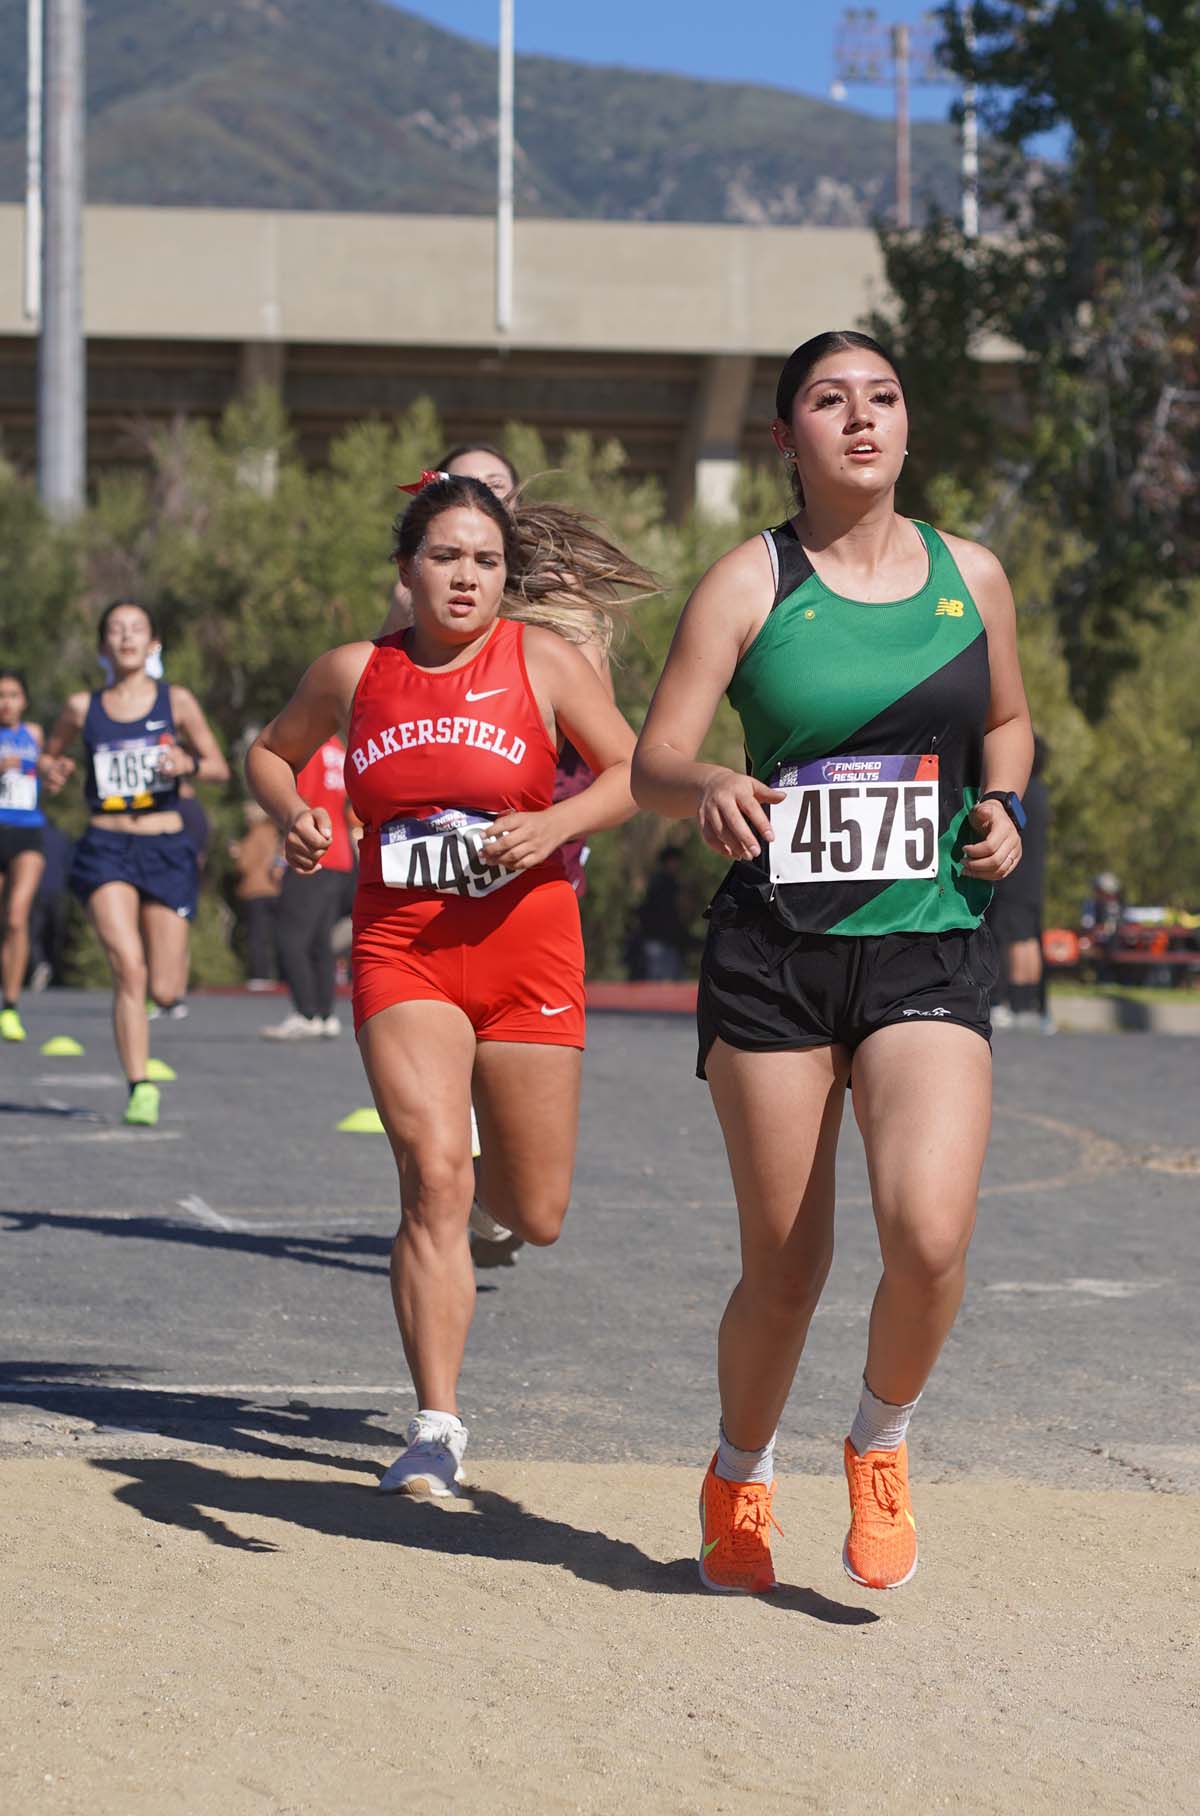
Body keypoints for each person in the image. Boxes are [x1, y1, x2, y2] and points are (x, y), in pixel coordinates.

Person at [632, 329, 1032, 1594]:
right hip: (777, 959)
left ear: (908, 427)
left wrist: (1008, 805)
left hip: (925, 943)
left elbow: (1010, 722)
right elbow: (651, 762)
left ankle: (880, 1438)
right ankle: (739, 1469)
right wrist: (707, 784)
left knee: (926, 1233)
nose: (861, 419)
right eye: (828, 400)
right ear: (787, 439)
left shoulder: (973, 575)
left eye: (883, 398)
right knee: (787, 1269)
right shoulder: (748, 584)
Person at [247, 472, 650, 1496]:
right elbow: (268, 752)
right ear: (407, 570)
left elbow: (633, 772)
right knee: (432, 1171)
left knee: (535, 1208)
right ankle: (435, 1424)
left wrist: (553, 826)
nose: (466, 577)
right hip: (403, 948)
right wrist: (295, 811)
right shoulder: (355, 673)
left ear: (506, 577)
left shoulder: (543, 661)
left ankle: (492, 1211)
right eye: (446, 557)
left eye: (485, 561)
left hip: (528, 953)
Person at [40, 601, 229, 1125]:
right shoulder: (83, 707)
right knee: (129, 967)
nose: (125, 637)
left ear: (152, 645)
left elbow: (217, 767)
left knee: (164, 988)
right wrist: (52, 772)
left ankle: (163, 1000)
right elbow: (52, 758)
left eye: (136, 629)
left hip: (166, 847)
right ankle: (139, 1084)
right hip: (105, 847)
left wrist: (186, 762)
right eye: (115, 630)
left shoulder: (178, 701)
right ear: (103, 646)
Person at [259, 734, 355, 1039]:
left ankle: (306, 1012)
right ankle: (325, 1014)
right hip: (339, 854)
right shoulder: (338, 749)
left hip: (312, 851)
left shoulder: (309, 747)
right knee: (320, 942)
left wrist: (279, 859)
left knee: (290, 938)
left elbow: (300, 807)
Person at [988, 733, 1051, 1031]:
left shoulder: (1019, 794)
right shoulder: (1042, 793)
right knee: (1028, 940)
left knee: (1010, 940)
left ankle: (1006, 1002)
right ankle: (1027, 1004)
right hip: (1033, 881)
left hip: (1014, 877)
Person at [0, 669, 46, 1041]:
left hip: (28, 830)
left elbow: (46, 767)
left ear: (24, 700)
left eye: (13, 695)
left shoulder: (34, 734)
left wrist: (57, 769)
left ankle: (11, 1006)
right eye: (0, 695)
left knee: (17, 917)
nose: (5, 702)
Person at [228, 799, 282, 988]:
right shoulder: (273, 833)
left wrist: (237, 853)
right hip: (273, 890)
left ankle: (260, 975)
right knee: (271, 934)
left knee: (256, 935)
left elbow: (245, 864)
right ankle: (277, 973)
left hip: (255, 890)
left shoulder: (254, 835)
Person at [634, 845, 689, 981]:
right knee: (660, 983)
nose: (677, 865)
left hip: (669, 941)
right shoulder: (661, 884)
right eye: (674, 861)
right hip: (657, 941)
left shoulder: (669, 884)